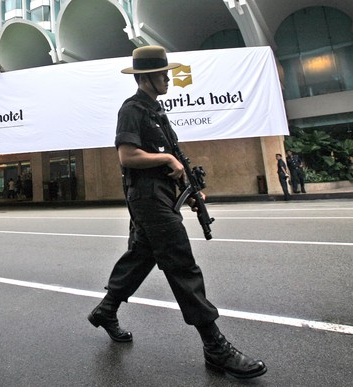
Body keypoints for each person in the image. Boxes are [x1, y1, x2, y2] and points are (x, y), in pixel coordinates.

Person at [87, 46, 266, 379]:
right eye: (162, 73)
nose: (168, 77)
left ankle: (106, 310)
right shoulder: (132, 109)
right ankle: (215, 346)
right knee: (182, 263)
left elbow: (177, 160)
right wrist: (166, 160)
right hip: (147, 199)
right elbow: (127, 156)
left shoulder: (157, 112)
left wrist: (192, 190)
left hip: (163, 197)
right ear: (145, 77)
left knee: (142, 254)